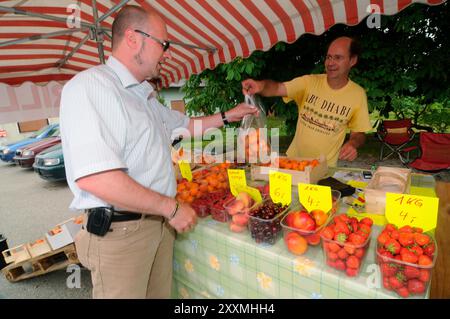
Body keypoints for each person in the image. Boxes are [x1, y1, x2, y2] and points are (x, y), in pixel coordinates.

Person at [59, 5, 257, 299]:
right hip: (121, 234)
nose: (167, 53)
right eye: (163, 44)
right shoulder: (91, 88)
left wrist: (230, 115)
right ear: (133, 38)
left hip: (156, 226)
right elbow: (97, 178)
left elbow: (186, 126)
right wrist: (172, 208)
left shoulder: (144, 97)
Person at [242, 37, 372, 167]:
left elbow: (359, 133)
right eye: (328, 57)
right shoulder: (309, 82)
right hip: (293, 163)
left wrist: (352, 143)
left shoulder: (357, 95)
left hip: (324, 168)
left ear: (352, 60)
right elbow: (277, 88)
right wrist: (260, 85)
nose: (330, 63)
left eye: (338, 58)